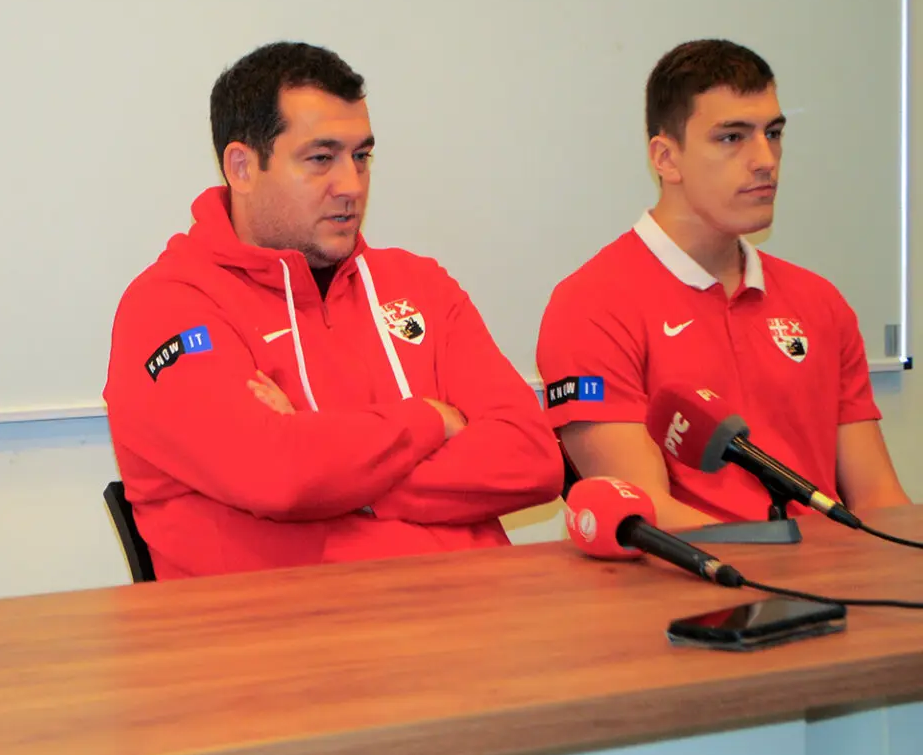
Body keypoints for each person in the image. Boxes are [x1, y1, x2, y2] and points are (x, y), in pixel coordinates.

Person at [103, 42, 562, 579]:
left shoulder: (419, 285)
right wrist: (430, 420)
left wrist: (336, 471)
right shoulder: (170, 307)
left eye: (361, 157)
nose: (351, 186)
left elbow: (534, 459)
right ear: (242, 167)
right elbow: (279, 477)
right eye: (321, 159)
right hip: (299, 625)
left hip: (479, 612)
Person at [537, 39, 910, 528]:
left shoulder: (819, 301)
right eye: (732, 137)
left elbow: (878, 496)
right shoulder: (591, 305)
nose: (766, 159)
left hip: (830, 567)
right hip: (700, 575)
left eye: (773, 133)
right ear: (666, 158)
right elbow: (647, 515)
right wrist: (784, 563)